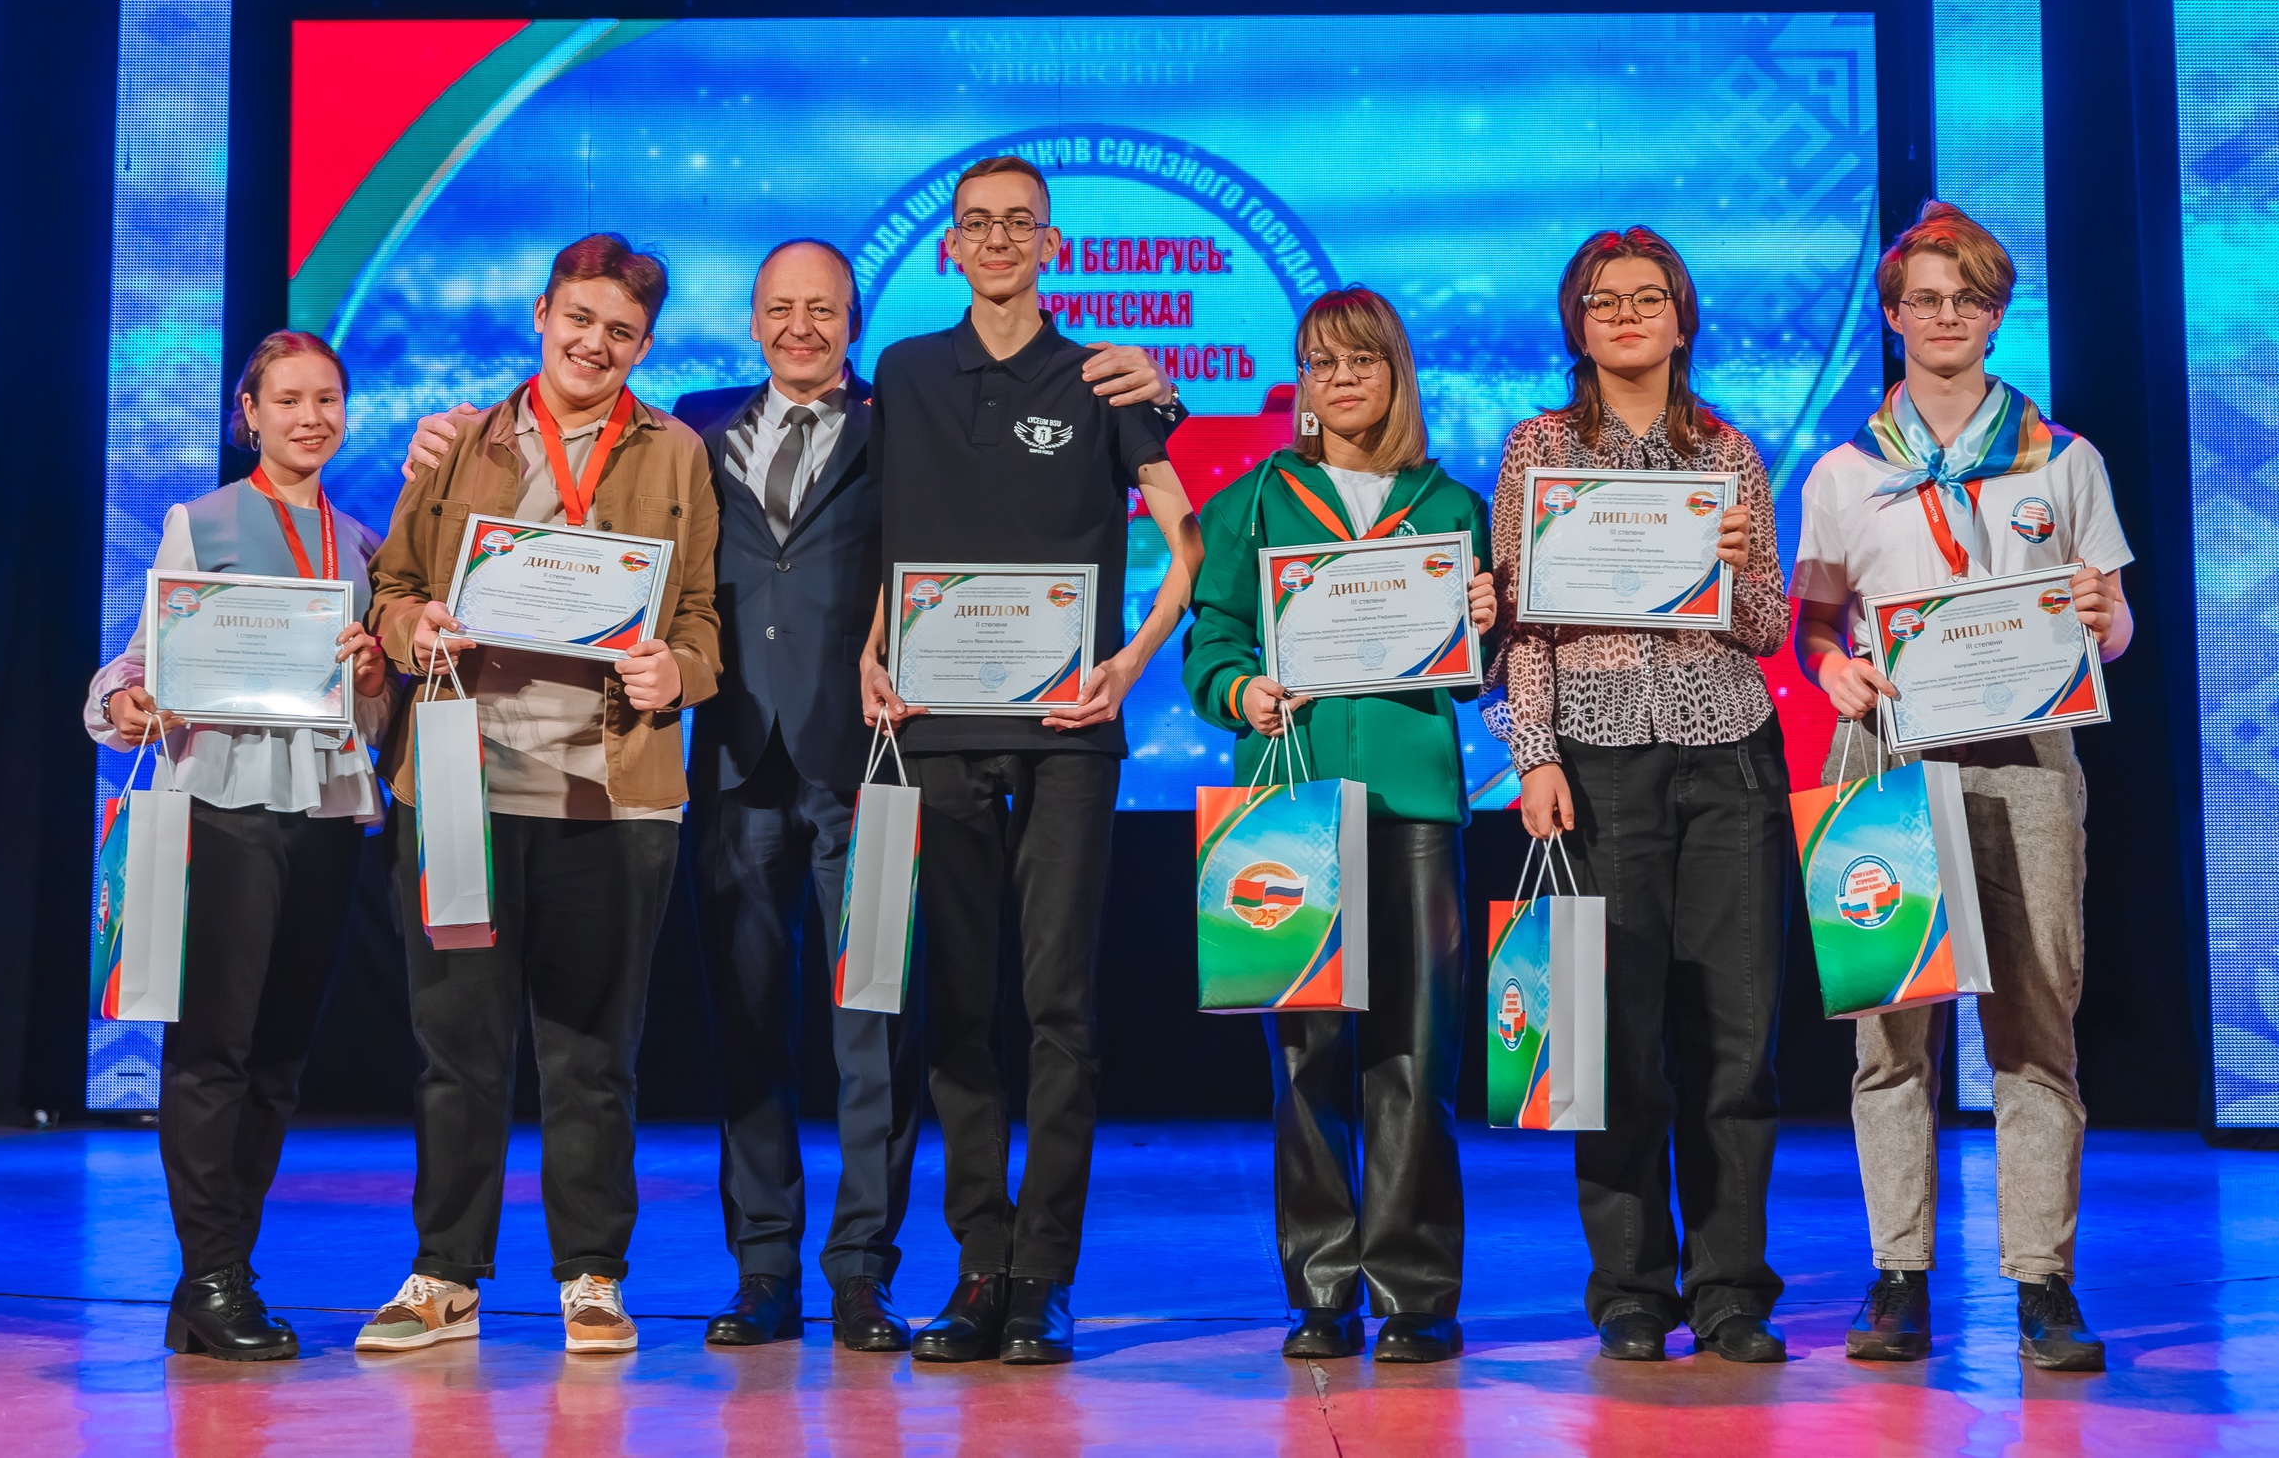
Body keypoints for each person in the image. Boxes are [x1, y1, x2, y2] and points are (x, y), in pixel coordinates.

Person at [400, 240, 1178, 1355]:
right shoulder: (691, 427)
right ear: (753, 319)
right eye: (780, 308)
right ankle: (763, 1268)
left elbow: (1042, 461)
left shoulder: (906, 417)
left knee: (874, 1030)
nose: (800, 327)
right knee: (749, 1028)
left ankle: (862, 1272)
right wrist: (445, 432)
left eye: (823, 309)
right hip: (734, 767)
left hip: (873, 768)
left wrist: (1158, 393)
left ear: (854, 323)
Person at [859, 154, 1202, 1366]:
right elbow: (886, 540)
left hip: (1068, 734)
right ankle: (978, 1269)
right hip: (936, 728)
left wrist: (1130, 663)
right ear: (949, 246)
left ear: (1053, 246)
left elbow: (1187, 539)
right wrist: (868, 651)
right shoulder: (904, 373)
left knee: (1057, 1007)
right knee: (956, 1008)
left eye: (1020, 224)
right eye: (977, 224)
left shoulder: (1104, 375)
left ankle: (1044, 1275)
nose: (997, 240)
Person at [358, 231, 721, 1356]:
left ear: (643, 346)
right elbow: (392, 586)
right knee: (457, 1046)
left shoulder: (676, 453)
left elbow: (700, 616)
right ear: (540, 316)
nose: (595, 344)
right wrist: (411, 626)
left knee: (592, 1055)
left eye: (621, 331)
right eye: (579, 319)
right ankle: (444, 1277)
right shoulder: (458, 442)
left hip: (612, 795)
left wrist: (681, 672)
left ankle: (592, 1278)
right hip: (459, 784)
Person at [1793, 200, 2132, 1373]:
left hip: (2029, 764)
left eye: (1969, 299)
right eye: (1925, 299)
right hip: (1888, 764)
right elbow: (1814, 625)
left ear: (1996, 316)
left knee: (2035, 1025)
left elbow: (2115, 623)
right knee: (1890, 1031)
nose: (1946, 317)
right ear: (1891, 317)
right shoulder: (1845, 472)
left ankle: (2042, 1281)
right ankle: (1897, 1275)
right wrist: (1831, 668)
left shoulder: (2061, 458)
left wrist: (2105, 615)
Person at [1180, 287, 1498, 1364]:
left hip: (1415, 807)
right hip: (1294, 807)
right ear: (1303, 384)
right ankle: (1321, 1289)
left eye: (1363, 359)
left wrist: (1487, 628)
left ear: (1396, 374)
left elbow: (1475, 677)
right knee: (1308, 1055)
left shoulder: (1450, 505)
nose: (1343, 378)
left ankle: (1415, 1292)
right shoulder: (1253, 503)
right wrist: (1242, 692)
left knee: (1415, 1051)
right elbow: (1212, 640)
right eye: (1322, 362)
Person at [1493, 226, 1793, 1365]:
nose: (1626, 315)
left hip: (1728, 753)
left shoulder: (1729, 450)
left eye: (1647, 297)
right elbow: (1520, 624)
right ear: (1577, 324)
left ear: (1681, 317)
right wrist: (1533, 754)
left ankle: (1729, 1290)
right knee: (1611, 1037)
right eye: (1603, 300)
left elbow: (1767, 627)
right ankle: (1628, 1286)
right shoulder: (1538, 448)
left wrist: (1734, 567)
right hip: (1597, 758)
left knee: (1735, 1041)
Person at [84, 330, 392, 1361]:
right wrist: (126, 701)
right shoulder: (203, 519)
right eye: (288, 399)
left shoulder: (361, 542)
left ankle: (222, 1274)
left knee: (279, 1057)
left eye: (327, 399)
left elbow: (369, 712)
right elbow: (140, 661)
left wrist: (375, 675)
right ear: (248, 413)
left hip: (325, 810)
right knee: (213, 1047)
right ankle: (211, 1274)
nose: (311, 417)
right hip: (224, 801)